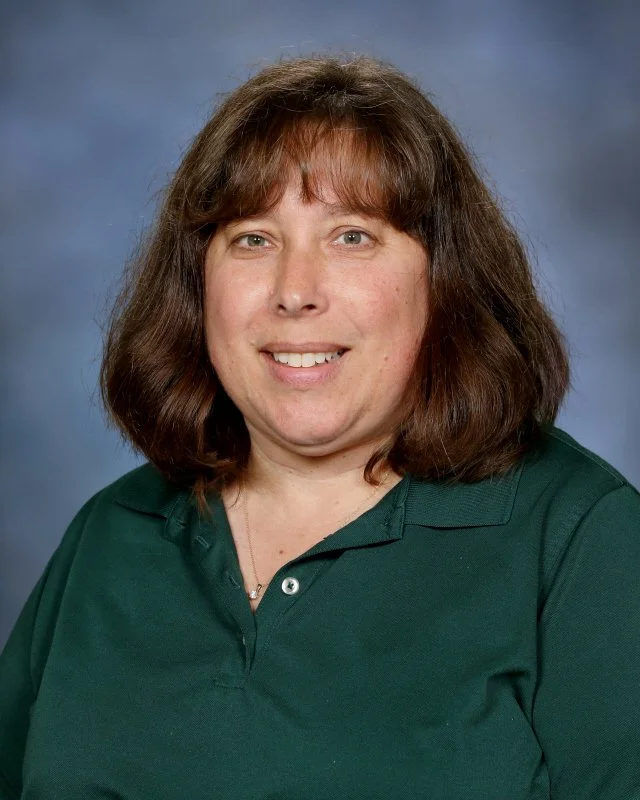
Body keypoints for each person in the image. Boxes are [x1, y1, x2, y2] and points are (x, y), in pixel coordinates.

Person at [0, 55, 638, 800]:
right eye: (253, 238)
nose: (294, 292)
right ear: (196, 284)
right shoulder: (113, 534)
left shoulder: (579, 538)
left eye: (351, 236)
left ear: (444, 280)